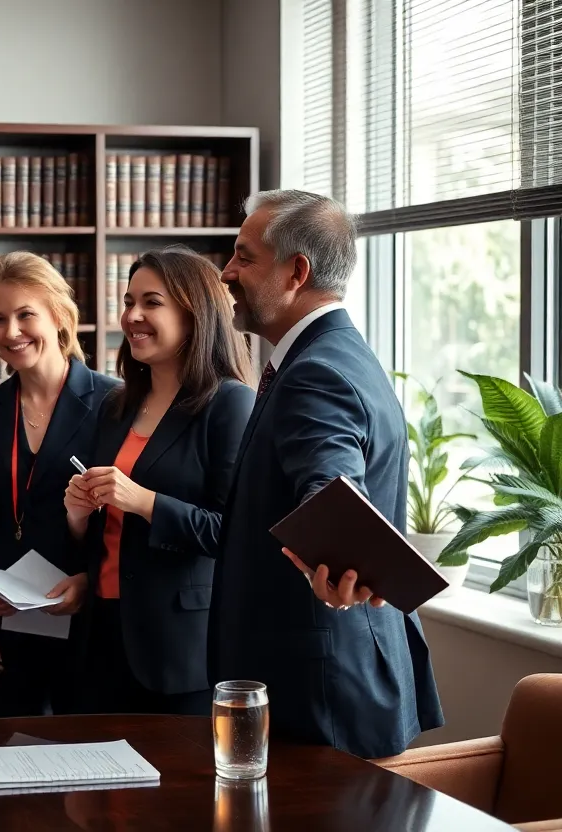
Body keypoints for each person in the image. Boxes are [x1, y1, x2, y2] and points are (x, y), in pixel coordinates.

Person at [210, 189, 443, 758]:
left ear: (297, 271)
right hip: (331, 675)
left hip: (317, 691)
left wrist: (343, 563)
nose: (226, 271)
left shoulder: (316, 371)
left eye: (244, 256)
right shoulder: (341, 352)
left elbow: (330, 480)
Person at [64, 246, 255, 716]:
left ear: (195, 314)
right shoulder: (116, 404)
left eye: (152, 302)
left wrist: (144, 501)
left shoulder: (228, 404)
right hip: (101, 634)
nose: (133, 315)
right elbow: (98, 537)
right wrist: (77, 514)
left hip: (178, 650)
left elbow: (232, 533)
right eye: (129, 302)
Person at [0, 252, 117, 717]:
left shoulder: (114, 402)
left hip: (86, 619)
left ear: (58, 315)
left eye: (25, 314)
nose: (11, 332)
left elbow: (120, 519)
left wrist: (88, 581)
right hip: (9, 619)